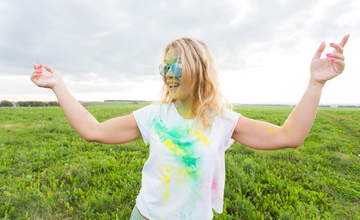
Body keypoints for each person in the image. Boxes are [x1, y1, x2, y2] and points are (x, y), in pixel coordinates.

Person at [31, 35, 349, 220]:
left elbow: (288, 136)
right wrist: (59, 85)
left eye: (176, 66)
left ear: (197, 69)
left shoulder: (222, 121)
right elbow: (94, 130)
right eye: (164, 67)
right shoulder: (153, 116)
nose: (168, 74)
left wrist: (315, 83)